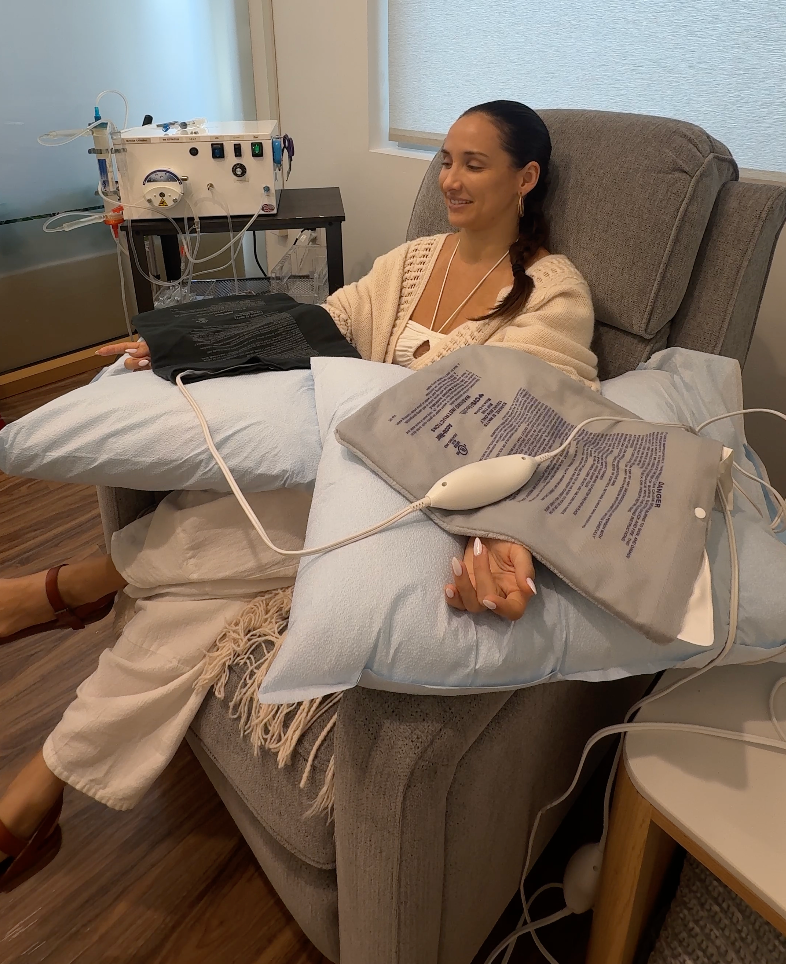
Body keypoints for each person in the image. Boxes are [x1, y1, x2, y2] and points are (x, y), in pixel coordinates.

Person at [0, 100, 598, 883]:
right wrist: (182, 340)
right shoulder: (413, 262)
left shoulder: (554, 293)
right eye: (445, 160)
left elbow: (535, 417)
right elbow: (321, 321)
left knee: (258, 513)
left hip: (419, 509)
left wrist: (500, 536)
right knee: (204, 589)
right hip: (337, 478)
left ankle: (78, 587)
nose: (449, 179)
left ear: (526, 178)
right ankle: (37, 788)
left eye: (473, 165)